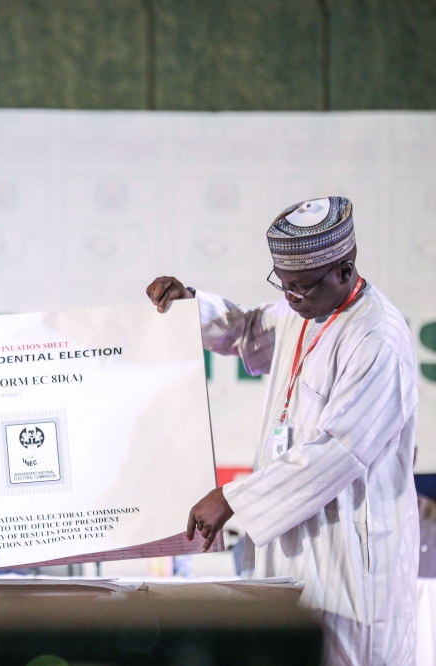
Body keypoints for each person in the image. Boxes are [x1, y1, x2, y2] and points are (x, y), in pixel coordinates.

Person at [146, 197, 418, 665]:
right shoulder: (305, 308)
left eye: (301, 287)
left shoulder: (377, 338)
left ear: (345, 269)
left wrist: (233, 497)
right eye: (283, 285)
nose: (291, 298)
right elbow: (246, 329)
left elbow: (337, 451)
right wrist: (189, 302)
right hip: (295, 547)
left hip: (352, 558)